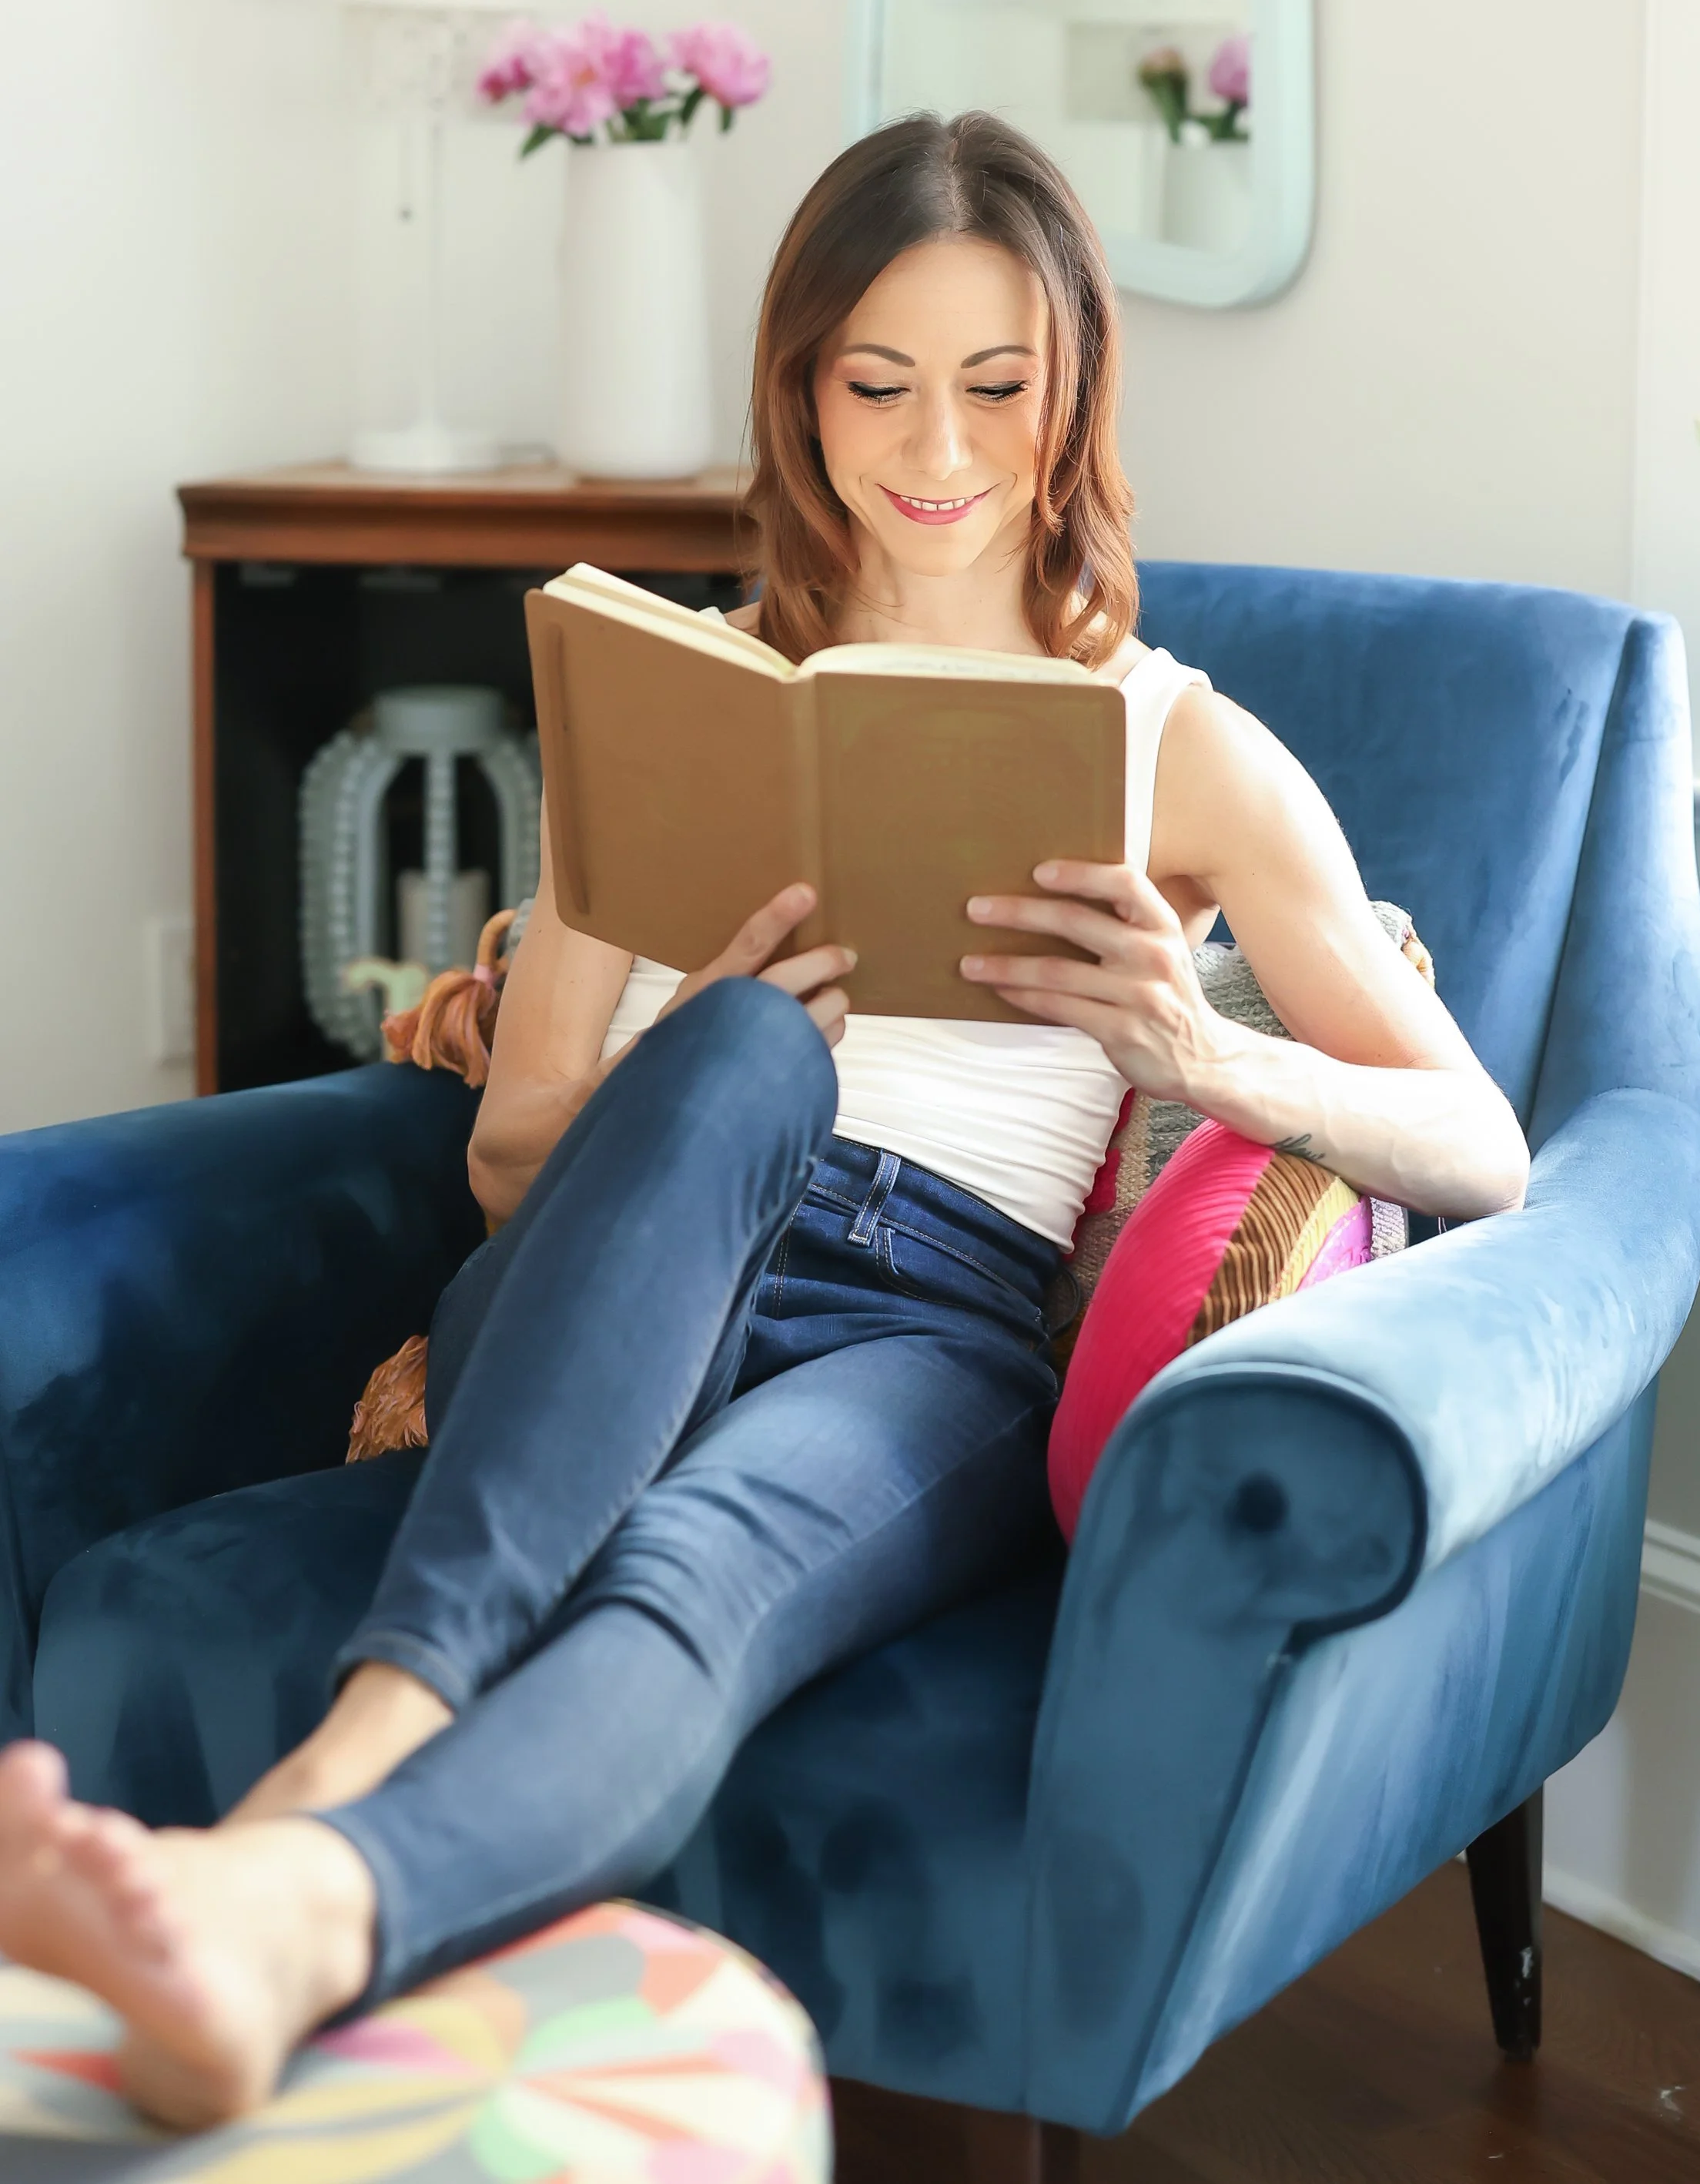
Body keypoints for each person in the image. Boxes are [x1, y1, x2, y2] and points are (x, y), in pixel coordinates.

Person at [0, 112, 1529, 2126]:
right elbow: (504, 1158)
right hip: (618, 1261)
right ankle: (349, 1768)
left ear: (1070, 390)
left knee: (702, 1571)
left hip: (929, 1330)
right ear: (798, 392)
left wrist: (1201, 1051)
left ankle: (297, 1888)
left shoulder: (1178, 742)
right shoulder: (679, 702)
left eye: (997, 386)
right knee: (739, 1057)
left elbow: (1481, 1146)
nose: (939, 448)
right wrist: (691, 1042)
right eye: (875, 383)